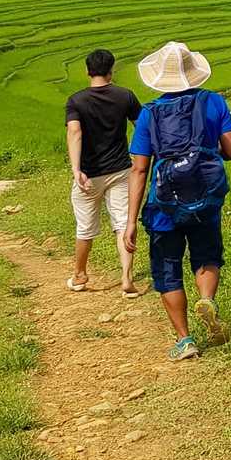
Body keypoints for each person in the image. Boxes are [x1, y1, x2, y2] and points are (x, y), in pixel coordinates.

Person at [123, 40, 231, 362]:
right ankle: (207, 300)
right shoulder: (213, 102)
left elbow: (139, 168)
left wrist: (130, 220)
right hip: (205, 199)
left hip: (163, 206)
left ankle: (185, 340)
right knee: (207, 256)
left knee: (167, 269)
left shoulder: (149, 114)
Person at [64, 48, 143, 296]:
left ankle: (79, 275)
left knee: (85, 228)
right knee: (122, 223)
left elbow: (75, 132)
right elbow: (141, 126)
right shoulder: (125, 96)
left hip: (89, 173)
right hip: (121, 169)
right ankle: (127, 278)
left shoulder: (76, 101)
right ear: (112, 70)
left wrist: (76, 169)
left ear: (88, 71)